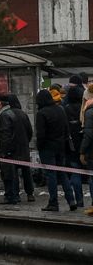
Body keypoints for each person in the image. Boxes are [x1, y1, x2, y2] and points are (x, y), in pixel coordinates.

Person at [0, 92, 33, 206]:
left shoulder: (5, 115)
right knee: (26, 171)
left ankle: (12, 196)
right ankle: (30, 194)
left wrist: (3, 151)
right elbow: (29, 131)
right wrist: (25, 143)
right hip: (23, 148)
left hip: (10, 151)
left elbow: (4, 135)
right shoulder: (22, 113)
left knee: (10, 173)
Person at [35, 87, 71, 212]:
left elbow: (41, 135)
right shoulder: (60, 109)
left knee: (51, 175)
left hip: (47, 148)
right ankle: (71, 200)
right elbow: (66, 130)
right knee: (62, 173)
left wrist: (39, 147)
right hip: (60, 147)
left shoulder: (42, 113)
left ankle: (53, 203)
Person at [63, 77, 86, 209]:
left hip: (71, 146)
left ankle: (79, 200)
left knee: (75, 171)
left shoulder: (65, 109)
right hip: (85, 144)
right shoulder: (84, 110)